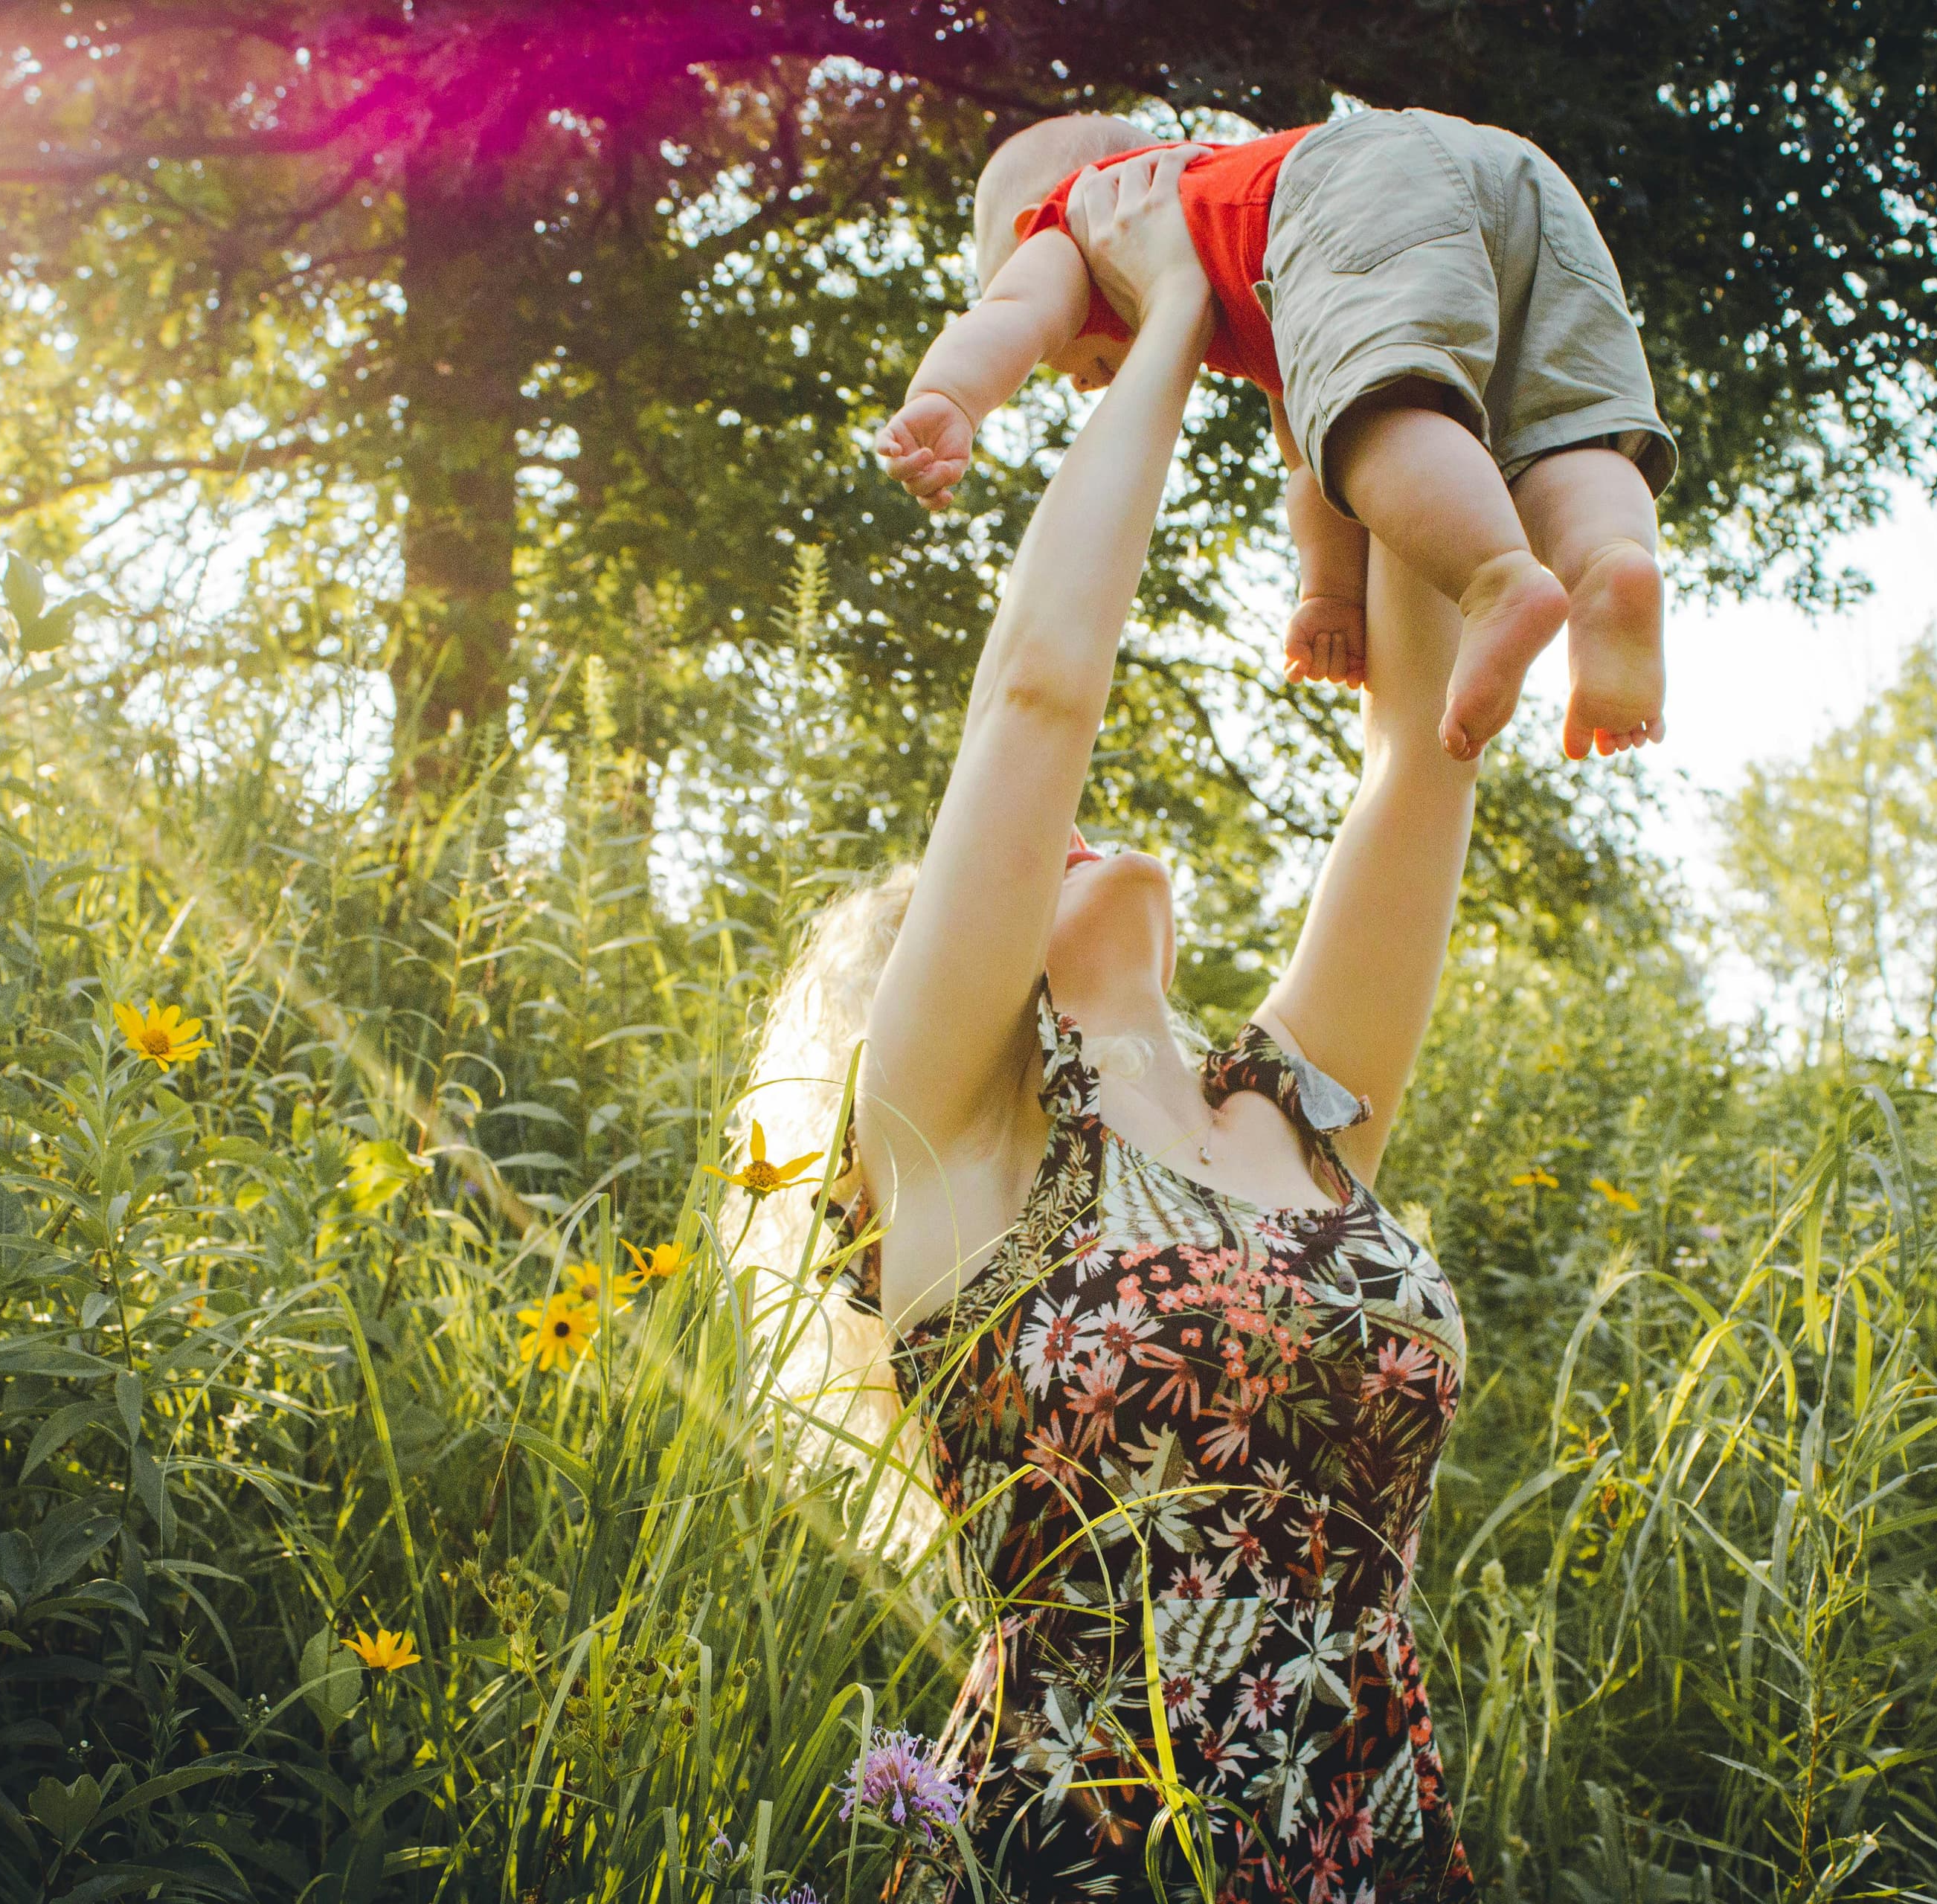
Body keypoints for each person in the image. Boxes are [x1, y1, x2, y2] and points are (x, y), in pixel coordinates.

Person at [757, 152, 1479, 1900]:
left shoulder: (1295, 1117)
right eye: (1012, 868)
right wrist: (1160, 316)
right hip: (1083, 1852)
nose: (1060, 830)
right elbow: (1038, 687)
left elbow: (1425, 751)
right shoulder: (959, 1139)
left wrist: (1335, 324)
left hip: (1375, 1854)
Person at [873, 107, 1677, 768]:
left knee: (1376, 422)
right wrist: (1329, 596)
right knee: (1558, 427)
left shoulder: (1085, 217)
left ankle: (1499, 578)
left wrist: (949, 396)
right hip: (1514, 175)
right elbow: (1313, 464)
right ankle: (1608, 566)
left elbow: (1011, 314)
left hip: (1356, 180)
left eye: (1066, 364)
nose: (1082, 379)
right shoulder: (1261, 261)